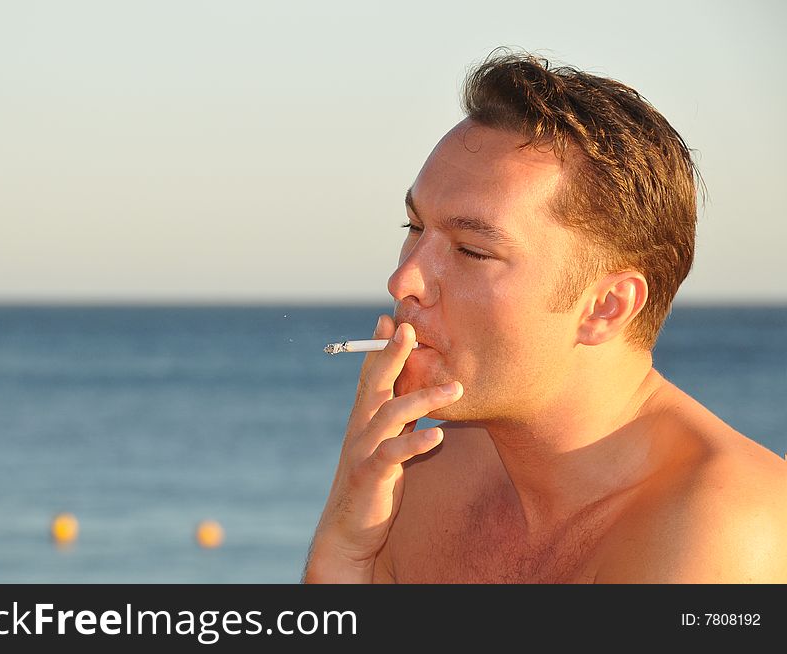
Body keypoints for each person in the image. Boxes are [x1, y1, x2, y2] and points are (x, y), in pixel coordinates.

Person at [302, 49, 787, 583]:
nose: (404, 281)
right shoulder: (416, 478)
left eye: (471, 251)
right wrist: (342, 551)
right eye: (414, 229)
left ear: (606, 306)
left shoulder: (724, 531)